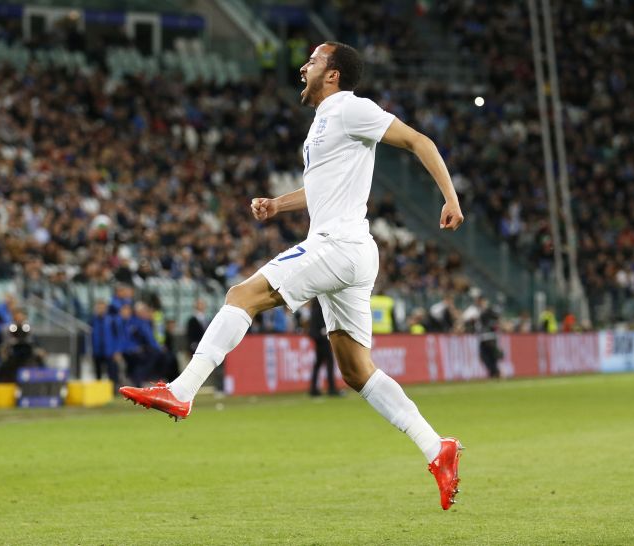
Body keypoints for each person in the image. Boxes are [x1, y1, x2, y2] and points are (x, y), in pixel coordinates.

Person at [120, 42, 465, 510]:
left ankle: (181, 392)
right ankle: (436, 448)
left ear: (334, 75)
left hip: (338, 246)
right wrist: (278, 204)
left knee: (241, 295)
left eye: (314, 61)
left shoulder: (351, 108)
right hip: (350, 251)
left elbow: (418, 140)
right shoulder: (324, 122)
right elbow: (323, 186)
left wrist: (450, 198)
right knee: (355, 371)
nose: (303, 67)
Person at [308, 298, 340, 396]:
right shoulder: (319, 310)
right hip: (322, 340)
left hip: (319, 339)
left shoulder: (314, 310)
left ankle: (313, 389)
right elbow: (319, 326)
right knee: (329, 363)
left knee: (318, 364)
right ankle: (331, 388)